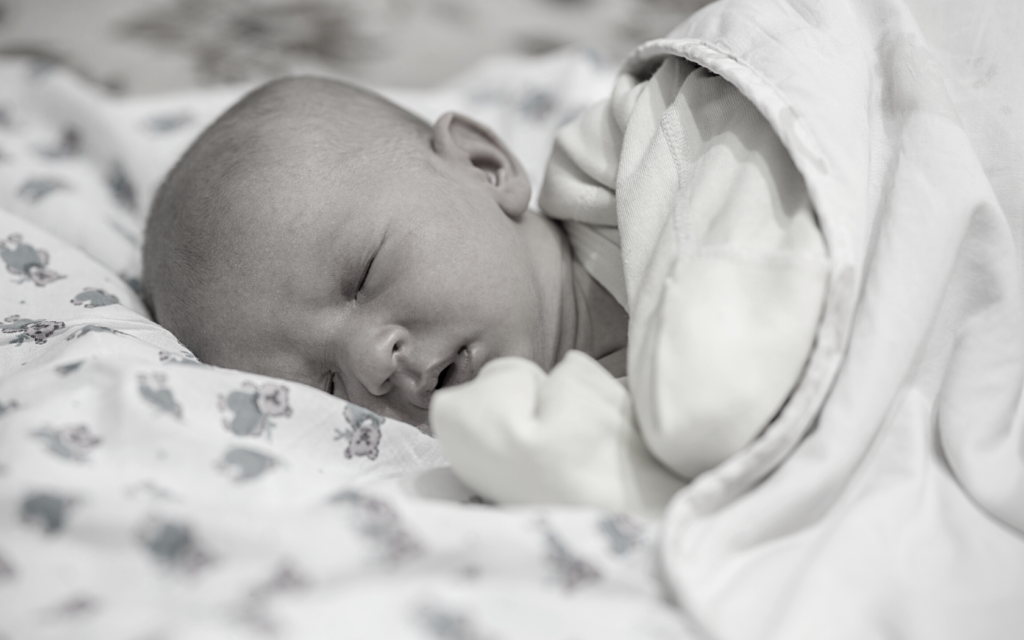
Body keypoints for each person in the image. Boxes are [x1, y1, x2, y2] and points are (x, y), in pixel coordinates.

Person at [143, 57, 828, 514]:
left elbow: (786, 121)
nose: (369, 365)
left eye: (362, 275)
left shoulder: (661, 146)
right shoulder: (558, 423)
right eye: (323, 388)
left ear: (483, 164)